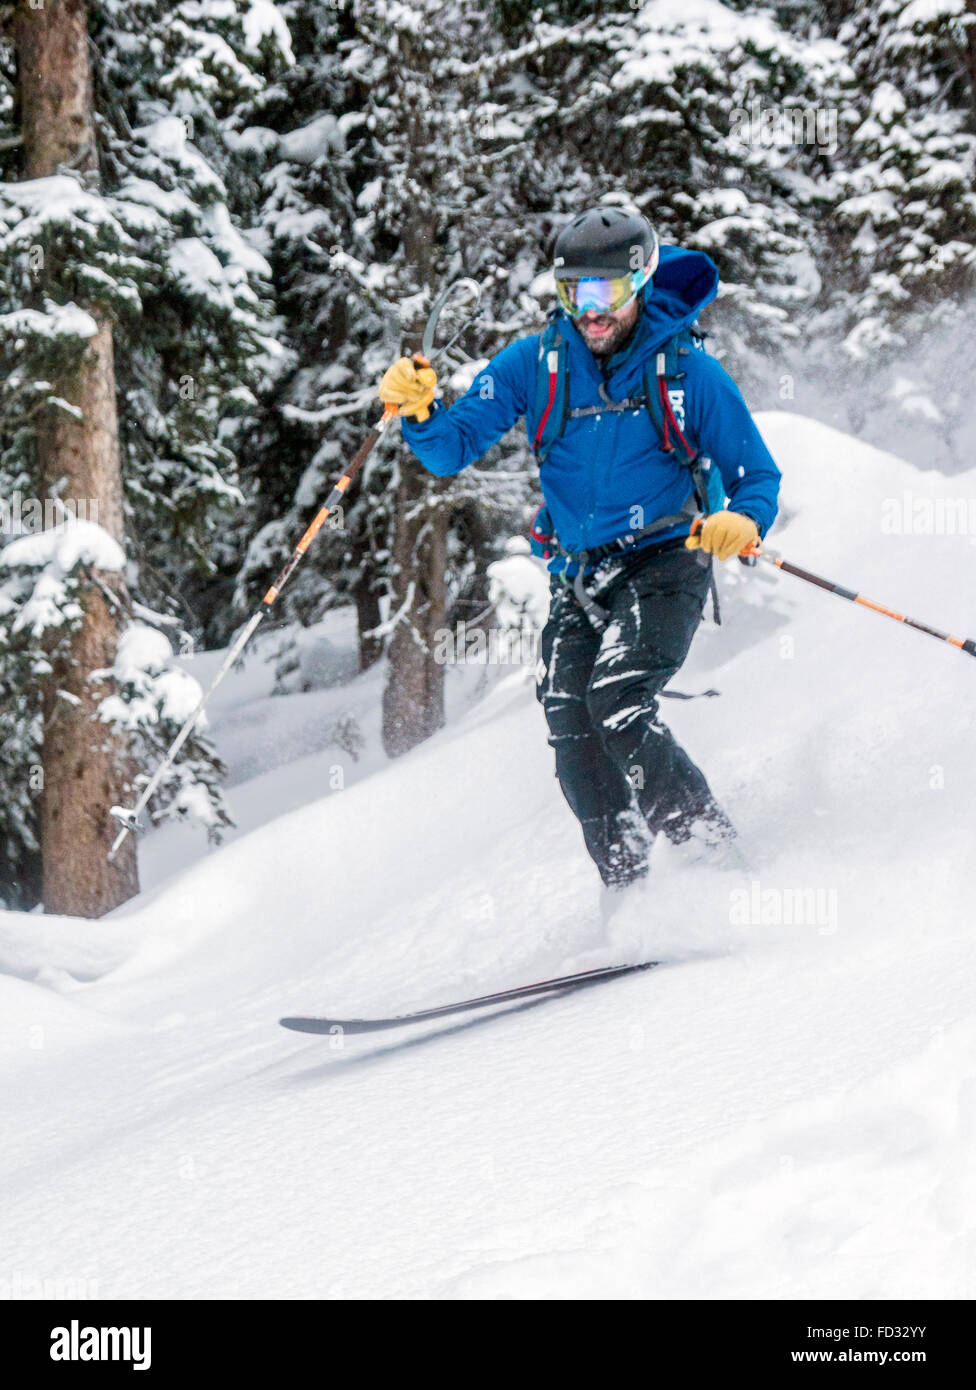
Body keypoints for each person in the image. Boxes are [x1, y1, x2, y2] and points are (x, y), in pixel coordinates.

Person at [378, 206, 780, 892]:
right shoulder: (536, 365)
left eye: (605, 295)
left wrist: (743, 520)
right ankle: (631, 889)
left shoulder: (686, 370)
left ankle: (715, 861)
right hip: (581, 573)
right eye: (573, 294)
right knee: (570, 717)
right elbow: (450, 451)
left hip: (665, 559)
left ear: (640, 283)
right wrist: (420, 410)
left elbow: (755, 476)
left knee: (618, 698)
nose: (589, 313)